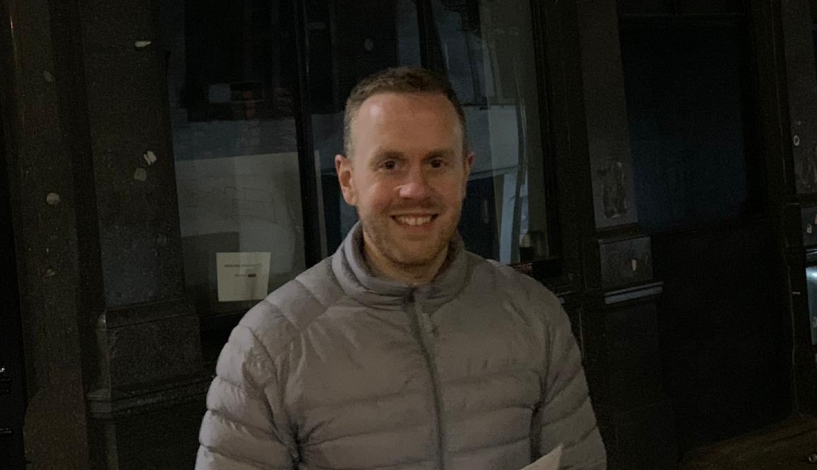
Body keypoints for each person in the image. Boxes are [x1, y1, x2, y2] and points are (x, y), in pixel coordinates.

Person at [196, 67, 606, 470]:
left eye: (436, 163)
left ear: (465, 173)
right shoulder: (268, 345)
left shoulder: (536, 315)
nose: (415, 189)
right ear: (347, 179)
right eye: (390, 164)